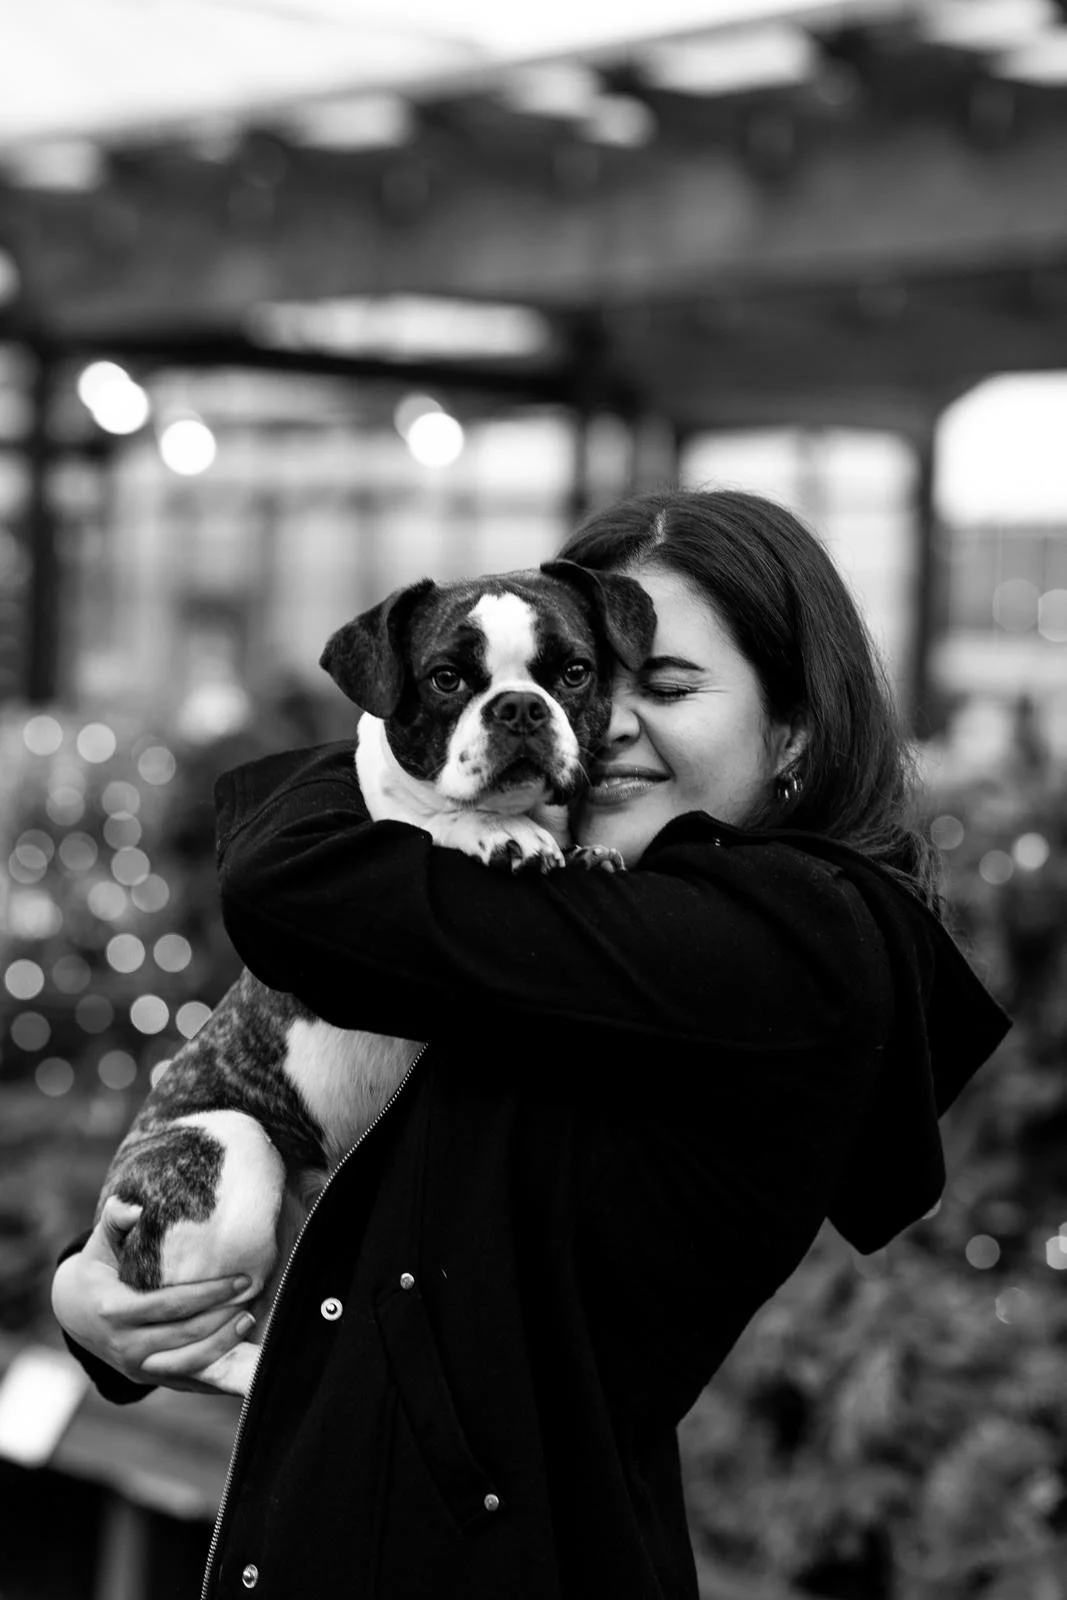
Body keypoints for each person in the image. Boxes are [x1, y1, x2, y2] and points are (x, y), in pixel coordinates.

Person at [52, 488, 1009, 1600]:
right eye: (599, 682)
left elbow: (285, 886)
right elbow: (350, 1156)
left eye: (664, 686)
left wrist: (419, 713)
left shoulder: (796, 937)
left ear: (792, 729)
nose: (603, 725)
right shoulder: (557, 915)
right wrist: (97, 1299)